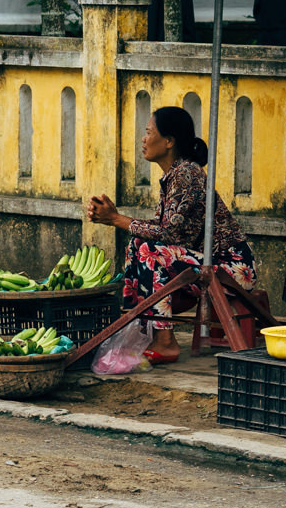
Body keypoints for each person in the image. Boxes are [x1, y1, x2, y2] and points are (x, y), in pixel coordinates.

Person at [84, 106, 254, 363]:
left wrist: (116, 219)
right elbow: (161, 229)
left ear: (169, 141)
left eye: (149, 132)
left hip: (231, 267)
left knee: (150, 250)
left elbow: (167, 233)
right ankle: (142, 328)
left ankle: (165, 341)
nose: (143, 139)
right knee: (138, 244)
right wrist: (115, 217)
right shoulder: (172, 176)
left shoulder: (186, 174)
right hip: (205, 261)